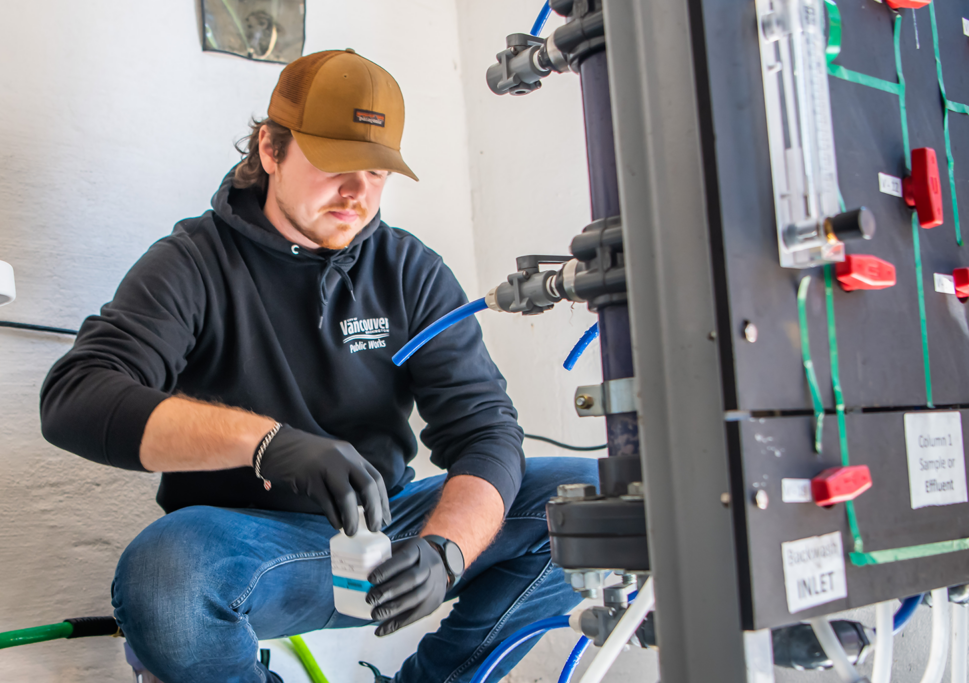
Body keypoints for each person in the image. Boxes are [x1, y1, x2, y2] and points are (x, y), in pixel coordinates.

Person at [40, 48, 597, 683]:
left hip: (387, 535)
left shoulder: (409, 271)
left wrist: (446, 550)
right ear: (270, 148)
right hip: (248, 554)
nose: (359, 192)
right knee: (164, 574)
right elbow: (74, 399)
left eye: (378, 172)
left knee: (593, 500)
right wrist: (270, 445)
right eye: (336, 164)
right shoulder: (192, 262)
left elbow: (485, 432)